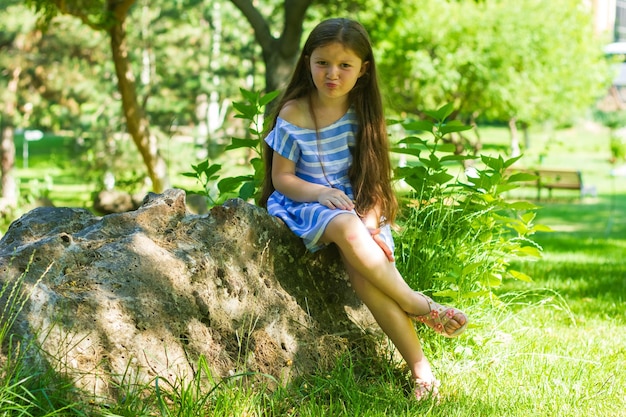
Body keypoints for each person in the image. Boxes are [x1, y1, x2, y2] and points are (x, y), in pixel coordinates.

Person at [259, 17, 468, 401]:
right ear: (307, 61)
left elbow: (373, 182)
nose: (332, 74)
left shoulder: (363, 114)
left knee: (367, 281)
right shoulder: (294, 113)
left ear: (363, 70)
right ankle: (417, 303)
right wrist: (321, 193)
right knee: (346, 228)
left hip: (359, 207)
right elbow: (282, 178)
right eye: (322, 62)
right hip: (306, 200)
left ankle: (422, 374)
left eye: (344, 65)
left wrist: (372, 225)